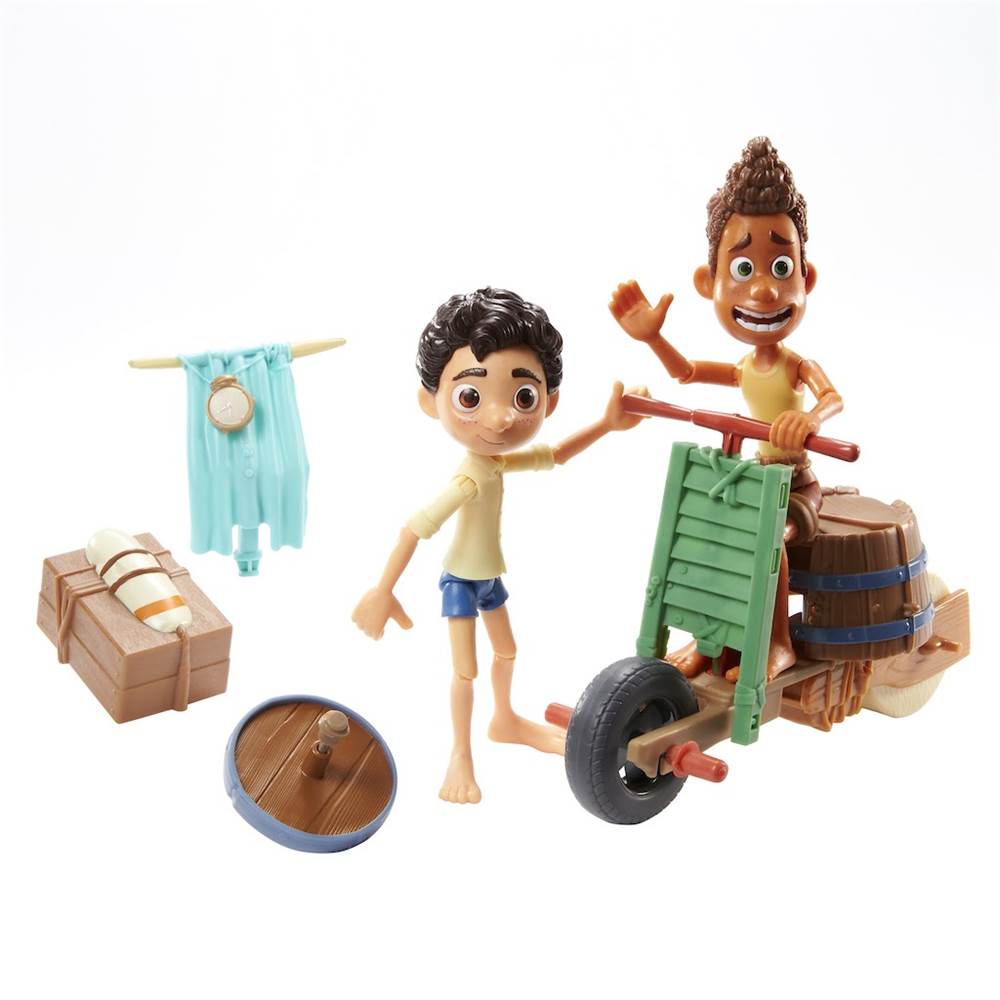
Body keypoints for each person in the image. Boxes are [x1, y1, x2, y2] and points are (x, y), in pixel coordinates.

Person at [352, 287, 648, 804]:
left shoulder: (497, 463)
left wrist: (607, 424)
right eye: (470, 397)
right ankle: (459, 755)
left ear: (549, 401)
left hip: (490, 576)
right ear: (430, 401)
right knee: (465, 670)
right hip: (461, 583)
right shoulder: (469, 478)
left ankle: (506, 719)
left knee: (508, 651)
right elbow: (414, 528)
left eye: (523, 397)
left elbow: (556, 455)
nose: (499, 419)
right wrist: (382, 590)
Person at [610, 136, 843, 681]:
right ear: (708, 281)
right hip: (754, 478)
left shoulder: (794, 365)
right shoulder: (743, 367)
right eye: (742, 270)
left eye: (780, 266)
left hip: (796, 488)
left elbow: (832, 397)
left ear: (805, 278)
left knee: (767, 542)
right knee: (709, 535)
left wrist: (808, 420)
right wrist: (652, 338)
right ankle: (710, 642)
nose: (763, 290)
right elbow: (687, 373)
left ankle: (777, 644)